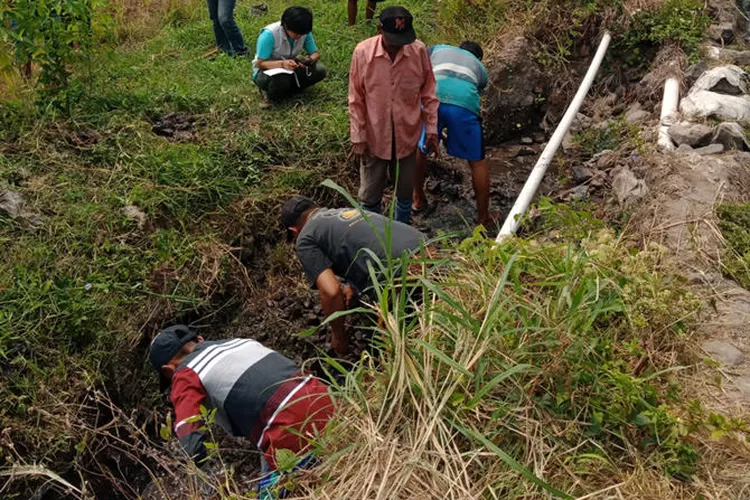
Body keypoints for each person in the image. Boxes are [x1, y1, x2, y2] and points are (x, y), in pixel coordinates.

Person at [149, 324, 333, 475]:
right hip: (328, 402)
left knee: (270, 492)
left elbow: (191, 443)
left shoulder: (184, 374)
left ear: (168, 370)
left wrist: (193, 468)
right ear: (200, 340)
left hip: (293, 431)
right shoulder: (240, 342)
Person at [281, 195, 426, 354]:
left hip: (403, 275)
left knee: (388, 348)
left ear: (293, 230)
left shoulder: (304, 238)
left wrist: (339, 337)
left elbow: (331, 292)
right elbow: (363, 243)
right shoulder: (344, 212)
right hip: (430, 251)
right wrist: (352, 286)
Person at [348, 6, 439, 225]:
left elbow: (429, 93)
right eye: (393, 40)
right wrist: (358, 135)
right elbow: (356, 98)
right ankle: (373, 239)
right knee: (370, 195)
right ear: (379, 29)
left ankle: (401, 235)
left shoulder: (418, 51)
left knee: (405, 193)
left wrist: (432, 129)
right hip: (374, 135)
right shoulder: (363, 53)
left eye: (402, 40)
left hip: (406, 134)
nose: (398, 46)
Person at [412, 42, 492, 226]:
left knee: (421, 149)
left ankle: (417, 199)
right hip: (463, 105)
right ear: (479, 57)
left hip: (433, 99)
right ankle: (483, 218)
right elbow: (478, 89)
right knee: (477, 162)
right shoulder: (480, 68)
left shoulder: (438, 48)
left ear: (458, 47)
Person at [252, 6, 326, 107]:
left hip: (292, 68)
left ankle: (290, 91)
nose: (299, 36)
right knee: (282, 79)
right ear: (286, 26)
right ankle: (273, 97)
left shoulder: (304, 32)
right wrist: (282, 64)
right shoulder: (269, 35)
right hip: (267, 71)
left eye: (302, 33)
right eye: (296, 33)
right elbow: (260, 63)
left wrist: (308, 60)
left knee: (320, 70)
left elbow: (315, 53)